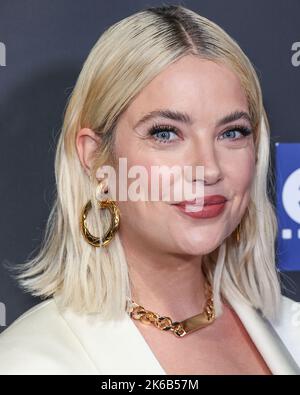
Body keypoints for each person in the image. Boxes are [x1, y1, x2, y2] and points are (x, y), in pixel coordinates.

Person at [0, 4, 299, 375]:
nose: (208, 168)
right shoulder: (30, 362)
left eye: (231, 132)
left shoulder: (292, 331)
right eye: (166, 133)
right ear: (97, 160)